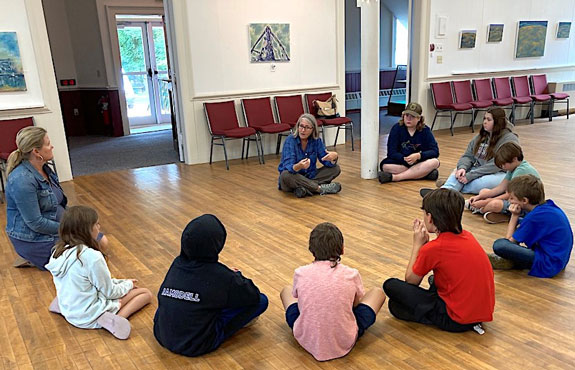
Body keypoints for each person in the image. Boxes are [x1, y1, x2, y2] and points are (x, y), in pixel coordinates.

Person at [154, 214, 268, 357]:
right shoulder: (222, 276)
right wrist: (235, 276)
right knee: (262, 301)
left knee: (175, 301)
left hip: (162, 334)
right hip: (197, 344)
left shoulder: (177, 263)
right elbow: (253, 296)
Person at [383, 189, 495, 333]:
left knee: (391, 288)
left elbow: (411, 281)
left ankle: (428, 315)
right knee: (435, 278)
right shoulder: (468, 236)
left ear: (429, 217)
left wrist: (417, 245)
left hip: (456, 320)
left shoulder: (434, 248)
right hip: (480, 313)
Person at [4, 127, 108, 269]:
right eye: (48, 144)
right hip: (36, 238)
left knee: (101, 242)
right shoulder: (22, 180)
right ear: (36, 151)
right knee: (89, 257)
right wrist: (73, 229)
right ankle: (32, 256)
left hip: (57, 226)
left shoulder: (45, 169)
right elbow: (36, 223)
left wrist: (80, 222)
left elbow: (58, 204)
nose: (51, 146)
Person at [280, 222, 386, 361]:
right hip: (345, 339)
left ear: (311, 250)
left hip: (307, 337)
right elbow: (354, 305)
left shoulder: (300, 273)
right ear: (342, 249)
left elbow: (299, 301)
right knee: (377, 292)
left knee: (286, 290)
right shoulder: (351, 274)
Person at [45, 206, 152, 340]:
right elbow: (110, 292)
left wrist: (121, 282)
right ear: (87, 230)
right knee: (145, 294)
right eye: (96, 224)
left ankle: (62, 306)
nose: (99, 227)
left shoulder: (57, 251)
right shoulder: (91, 256)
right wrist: (128, 285)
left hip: (70, 309)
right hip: (88, 313)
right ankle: (115, 319)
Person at [420, 108, 518, 197]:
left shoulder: (509, 139)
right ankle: (444, 193)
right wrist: (463, 168)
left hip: (501, 173)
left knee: (481, 183)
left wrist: (471, 175)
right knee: (458, 172)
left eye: (489, 120)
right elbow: (468, 155)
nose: (484, 122)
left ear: (498, 122)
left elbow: (496, 165)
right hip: (477, 169)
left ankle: (449, 187)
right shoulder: (481, 136)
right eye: (484, 119)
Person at [489, 175, 573, 278]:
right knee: (522, 223)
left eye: (512, 198)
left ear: (524, 201)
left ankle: (510, 262)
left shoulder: (534, 217)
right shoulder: (547, 206)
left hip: (548, 265)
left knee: (499, 245)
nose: (509, 201)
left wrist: (514, 216)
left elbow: (509, 242)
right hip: (559, 260)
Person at [466, 142, 540, 224]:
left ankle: (481, 209)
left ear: (514, 159)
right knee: (484, 191)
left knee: (494, 204)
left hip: (523, 205)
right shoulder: (512, 168)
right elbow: (501, 187)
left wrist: (485, 202)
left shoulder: (521, 170)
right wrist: (479, 196)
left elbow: (509, 195)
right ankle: (498, 212)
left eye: (504, 164)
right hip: (516, 198)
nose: (503, 167)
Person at [278, 113, 341, 198]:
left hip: (310, 176)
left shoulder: (316, 140)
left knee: (335, 168)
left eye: (307, 127)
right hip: (293, 177)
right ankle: (319, 189)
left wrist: (334, 156)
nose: (303, 130)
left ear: (313, 129)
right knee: (285, 175)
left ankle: (303, 189)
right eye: (301, 126)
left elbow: (326, 160)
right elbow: (288, 166)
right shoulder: (291, 140)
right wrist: (298, 166)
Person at [378, 102, 440, 183]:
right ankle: (423, 173)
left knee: (435, 162)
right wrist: (405, 159)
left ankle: (395, 177)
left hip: (419, 161)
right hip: (401, 162)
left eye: (412, 116)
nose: (408, 119)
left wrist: (418, 156)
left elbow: (435, 151)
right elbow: (391, 152)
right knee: (385, 166)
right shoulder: (396, 128)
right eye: (407, 115)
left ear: (419, 118)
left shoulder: (425, 130)